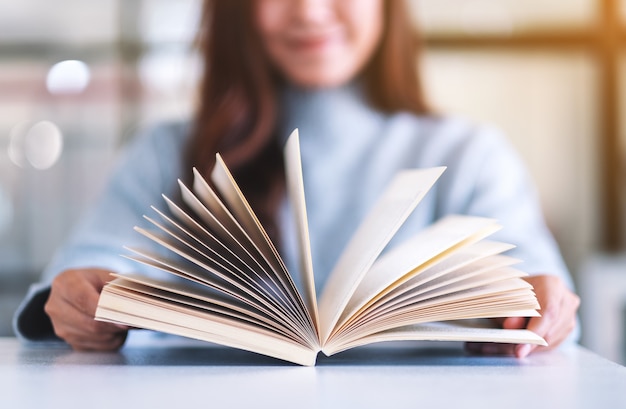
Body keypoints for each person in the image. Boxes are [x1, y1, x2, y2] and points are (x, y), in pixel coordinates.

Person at [13, 0, 579, 358]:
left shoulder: (469, 154)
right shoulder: (167, 152)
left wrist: (538, 309)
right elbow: (92, 265)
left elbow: (538, 290)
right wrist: (78, 296)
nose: (309, 11)